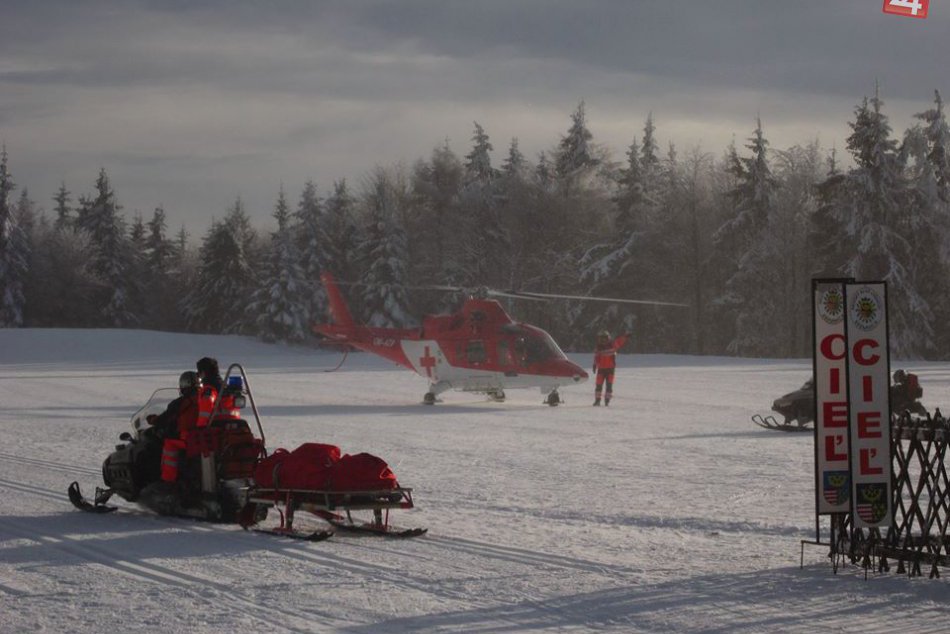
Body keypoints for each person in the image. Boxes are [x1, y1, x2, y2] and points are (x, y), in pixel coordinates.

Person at [148, 371, 202, 482]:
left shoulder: (182, 402)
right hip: (205, 438)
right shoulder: (207, 399)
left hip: (189, 439)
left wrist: (153, 420)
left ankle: (168, 480)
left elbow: (166, 418)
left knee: (169, 444)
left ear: (183, 384)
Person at [592, 330, 630, 406]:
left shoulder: (612, 345)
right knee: (598, 385)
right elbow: (596, 357)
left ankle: (607, 401)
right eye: (601, 339)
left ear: (607, 338)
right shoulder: (598, 347)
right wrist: (594, 365)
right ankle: (597, 400)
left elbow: (619, 341)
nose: (602, 340)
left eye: (604, 338)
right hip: (601, 369)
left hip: (610, 369)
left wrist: (625, 337)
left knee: (609, 386)